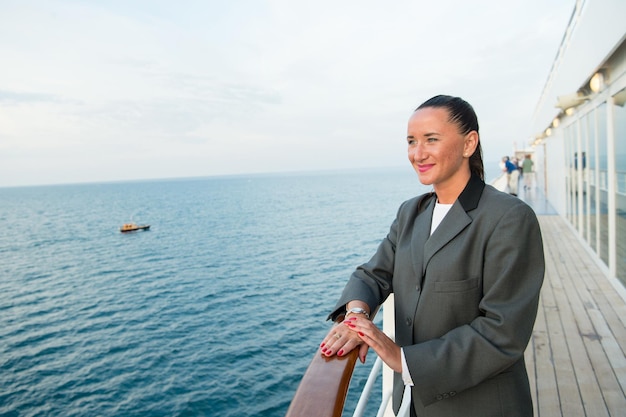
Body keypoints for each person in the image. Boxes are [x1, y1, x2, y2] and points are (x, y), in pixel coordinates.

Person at [319, 95, 545, 417]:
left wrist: (401, 359)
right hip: (413, 405)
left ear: (469, 144)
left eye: (431, 140)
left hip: (479, 407)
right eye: (411, 141)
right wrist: (358, 316)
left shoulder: (508, 218)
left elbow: (502, 331)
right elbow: (372, 274)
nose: (417, 153)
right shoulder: (411, 212)